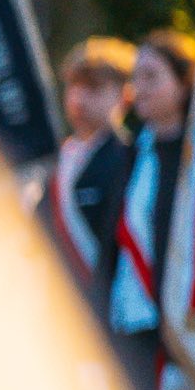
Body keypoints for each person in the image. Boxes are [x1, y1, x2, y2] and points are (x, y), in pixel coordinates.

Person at [108, 30, 195, 390]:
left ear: (183, 84)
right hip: (132, 325)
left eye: (151, 76)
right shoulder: (128, 154)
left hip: (182, 329)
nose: (138, 88)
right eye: (135, 77)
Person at [39, 37, 136, 318]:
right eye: (74, 86)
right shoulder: (55, 159)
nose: (79, 99)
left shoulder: (130, 157)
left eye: (93, 88)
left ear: (124, 95)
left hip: (105, 311)